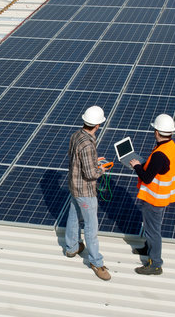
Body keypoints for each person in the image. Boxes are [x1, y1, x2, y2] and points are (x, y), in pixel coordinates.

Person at [129, 114, 175, 276]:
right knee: (150, 229)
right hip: (161, 196)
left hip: (155, 198)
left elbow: (147, 177)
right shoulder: (171, 146)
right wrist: (144, 165)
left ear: (157, 132)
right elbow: (159, 170)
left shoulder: (159, 154)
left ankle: (155, 264)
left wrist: (136, 166)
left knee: (153, 231)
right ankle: (147, 248)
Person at [65, 105, 110, 281]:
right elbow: (90, 174)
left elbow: (75, 158)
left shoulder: (76, 135)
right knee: (91, 226)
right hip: (85, 190)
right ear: (98, 125)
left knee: (74, 216)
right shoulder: (87, 145)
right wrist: (102, 169)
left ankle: (71, 248)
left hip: (73, 185)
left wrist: (93, 161)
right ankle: (96, 262)